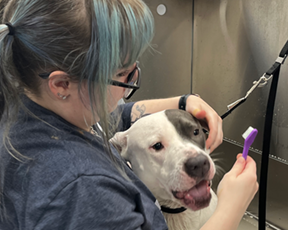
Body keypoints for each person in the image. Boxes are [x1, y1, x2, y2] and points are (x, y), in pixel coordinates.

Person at [0, 0, 258, 229]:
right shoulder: (84, 192)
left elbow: (113, 117)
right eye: (123, 75)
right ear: (62, 85)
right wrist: (230, 207)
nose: (131, 84)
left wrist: (184, 101)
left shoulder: (29, 107)